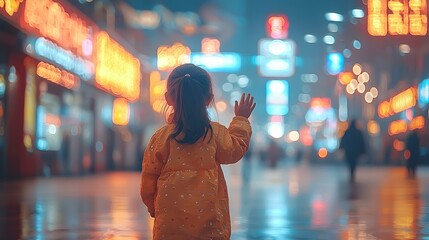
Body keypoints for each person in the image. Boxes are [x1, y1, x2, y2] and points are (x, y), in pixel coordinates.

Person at [140, 63, 256, 239]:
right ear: (209, 99)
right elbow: (235, 149)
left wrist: (153, 207)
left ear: (168, 98)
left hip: (169, 226)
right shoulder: (215, 134)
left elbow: (148, 180)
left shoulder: (160, 138)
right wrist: (241, 119)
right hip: (210, 226)